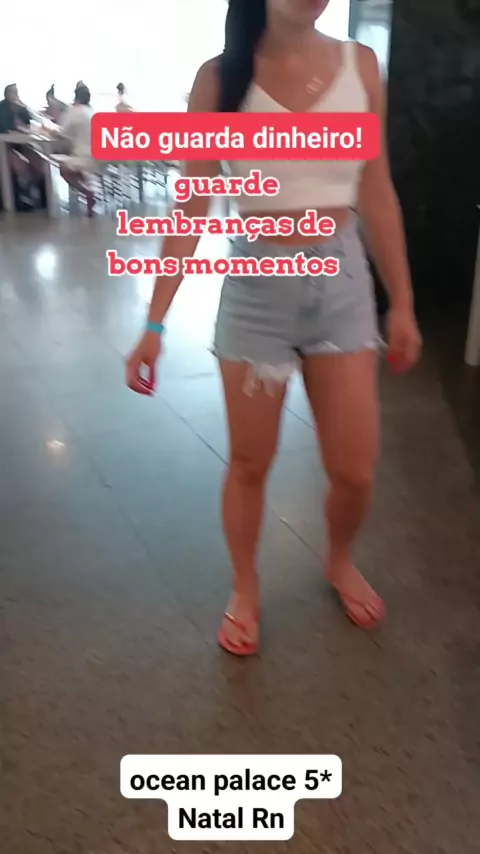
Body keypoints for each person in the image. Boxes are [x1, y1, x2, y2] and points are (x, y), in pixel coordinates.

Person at [125, 0, 422, 655]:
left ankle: (338, 559)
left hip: (342, 287)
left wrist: (401, 300)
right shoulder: (220, 79)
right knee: (250, 462)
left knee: (355, 469)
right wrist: (154, 325)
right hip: (257, 290)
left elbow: (376, 190)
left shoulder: (359, 65)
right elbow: (191, 203)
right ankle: (245, 586)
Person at [0, 83, 46, 210]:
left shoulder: (21, 107)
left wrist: (22, 108)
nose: (16, 96)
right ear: (7, 94)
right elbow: (5, 129)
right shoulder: (2, 108)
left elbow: (31, 122)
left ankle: (43, 197)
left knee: (38, 160)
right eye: (13, 93)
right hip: (4, 145)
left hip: (21, 143)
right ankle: (20, 198)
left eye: (17, 93)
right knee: (19, 164)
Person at [57, 83, 97, 216]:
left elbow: (62, 133)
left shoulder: (73, 111)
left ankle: (86, 191)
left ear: (75, 97)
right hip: (99, 158)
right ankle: (88, 189)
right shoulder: (91, 111)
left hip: (83, 157)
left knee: (64, 168)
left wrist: (50, 131)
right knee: (74, 163)